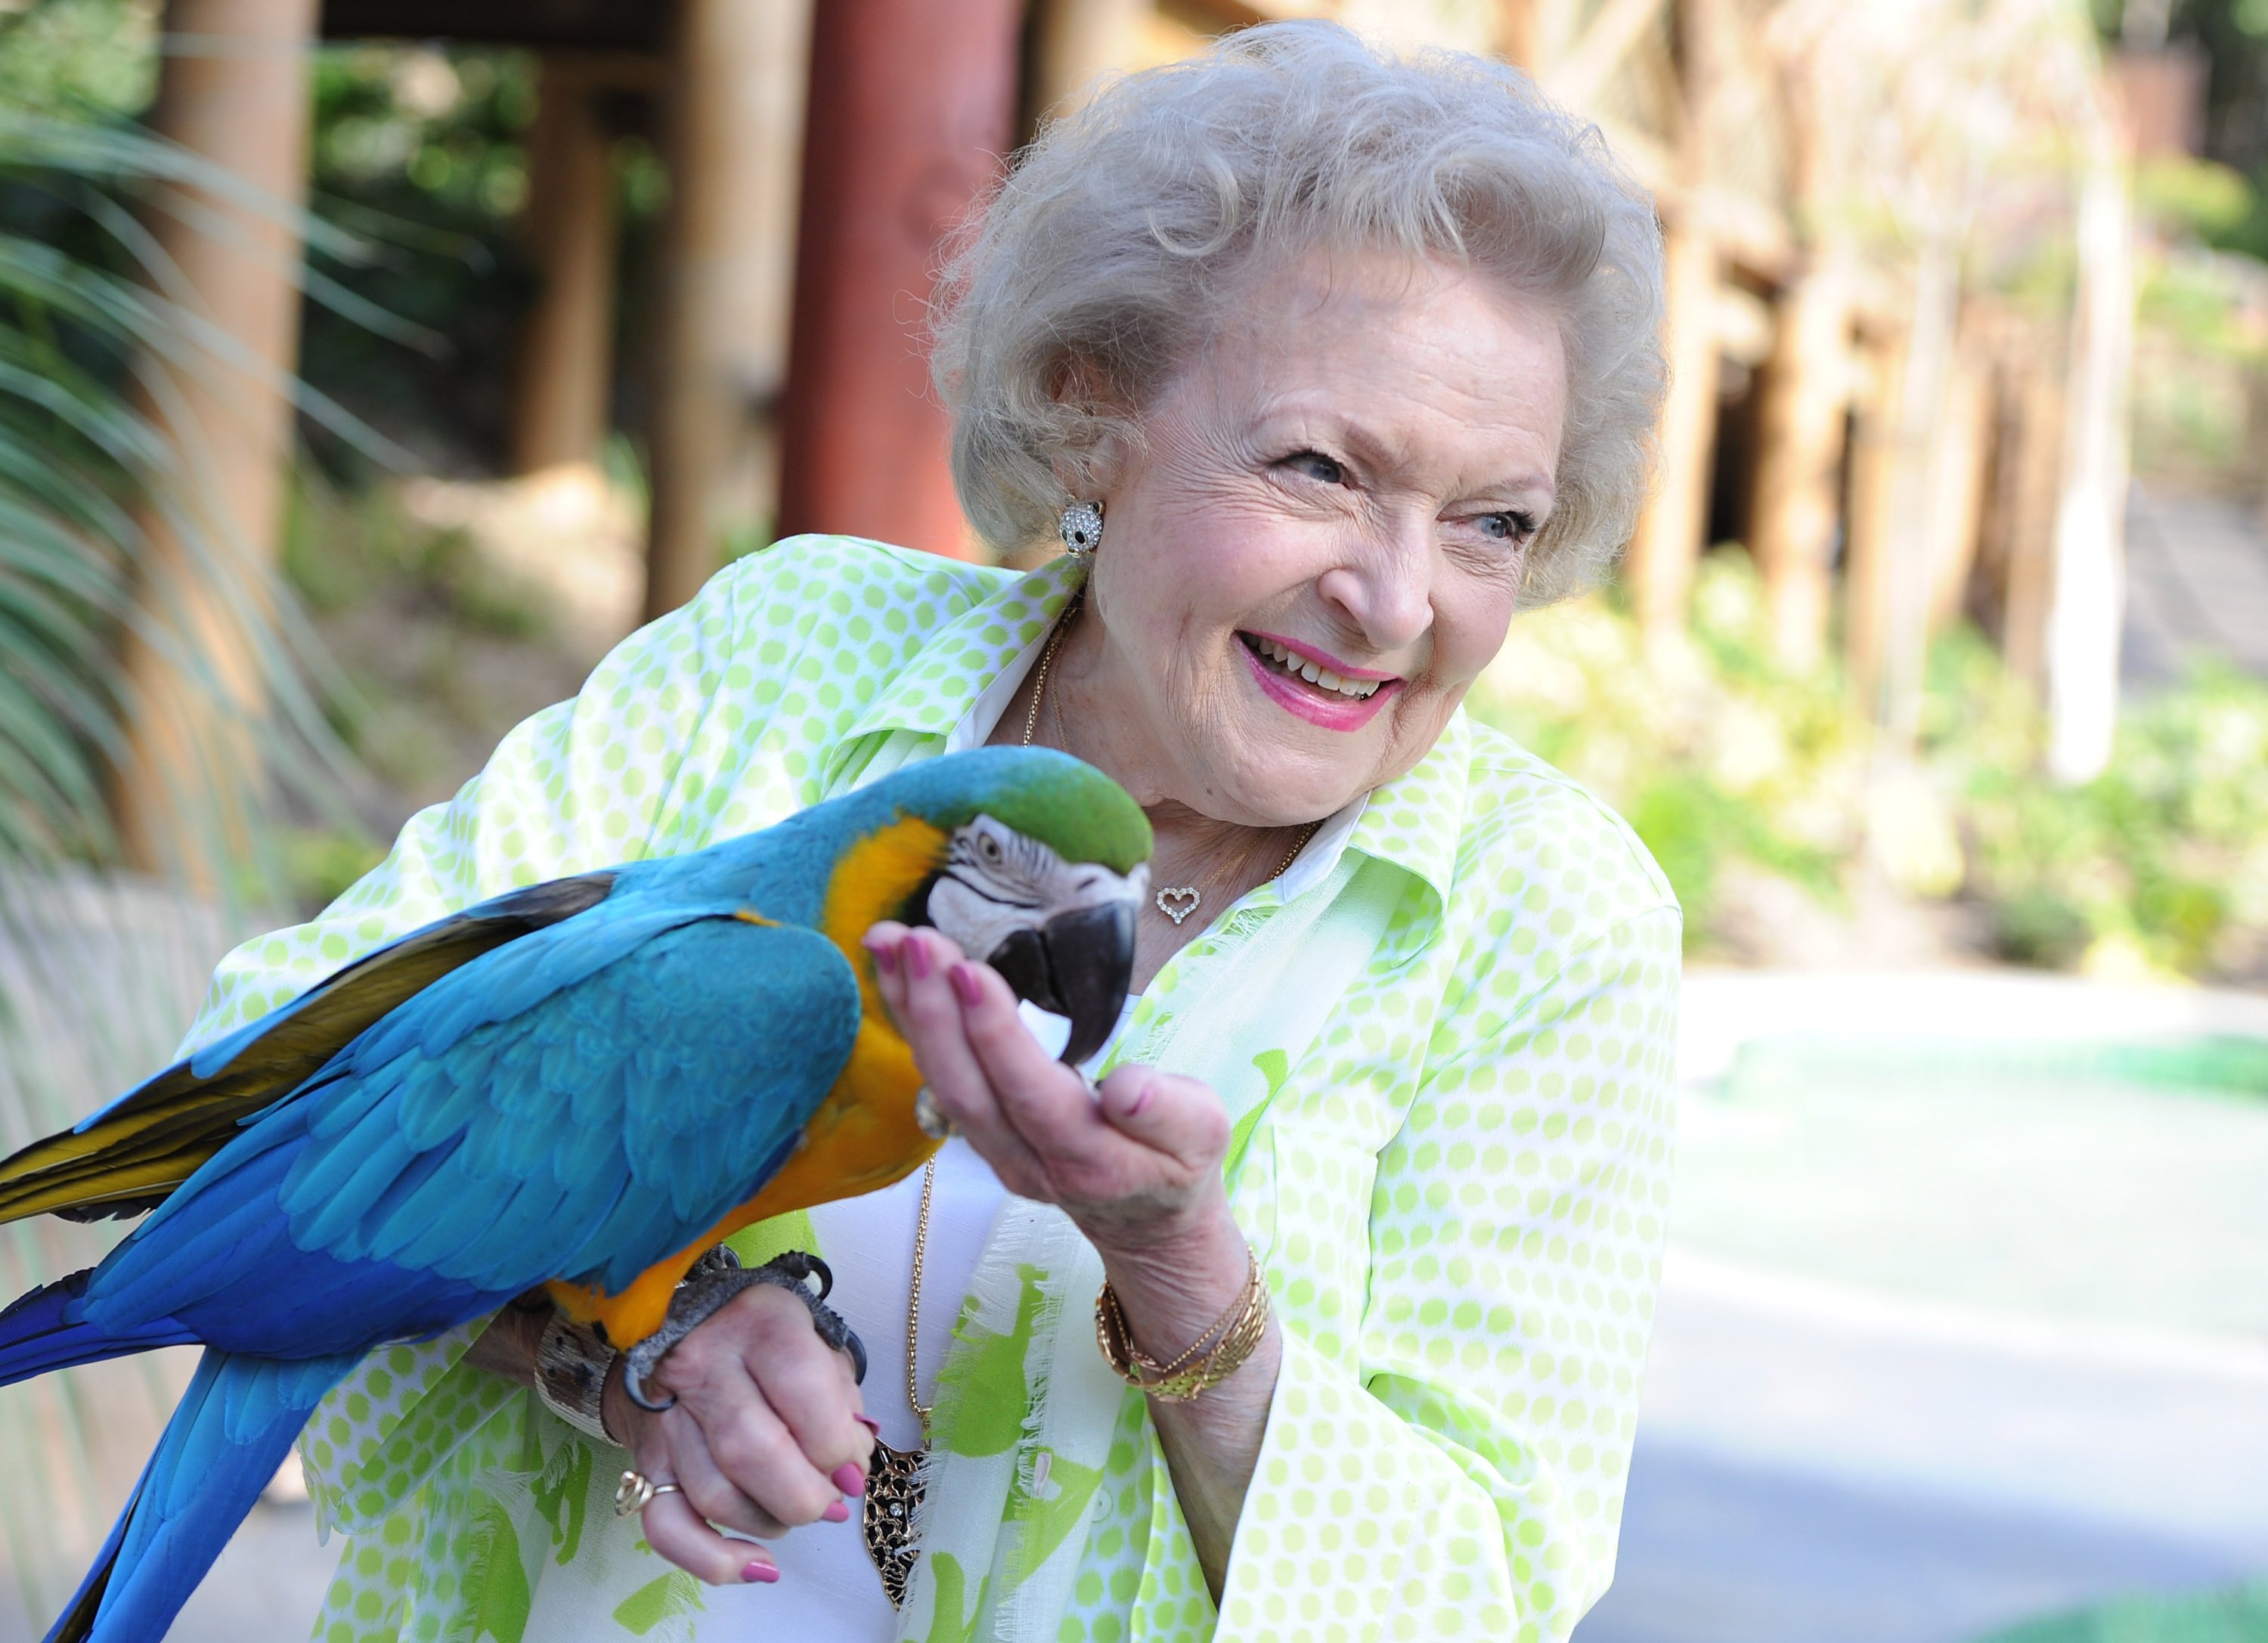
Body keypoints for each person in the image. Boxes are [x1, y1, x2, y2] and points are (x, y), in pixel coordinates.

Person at [181, 22, 1679, 1643]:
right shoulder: (790, 663)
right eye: (1320, 468)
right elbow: (281, 1062)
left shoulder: (1544, 912)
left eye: (1492, 524)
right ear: (1089, 403)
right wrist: (631, 1344)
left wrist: (1184, 1283)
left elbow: (1491, 1591)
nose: (1395, 602)